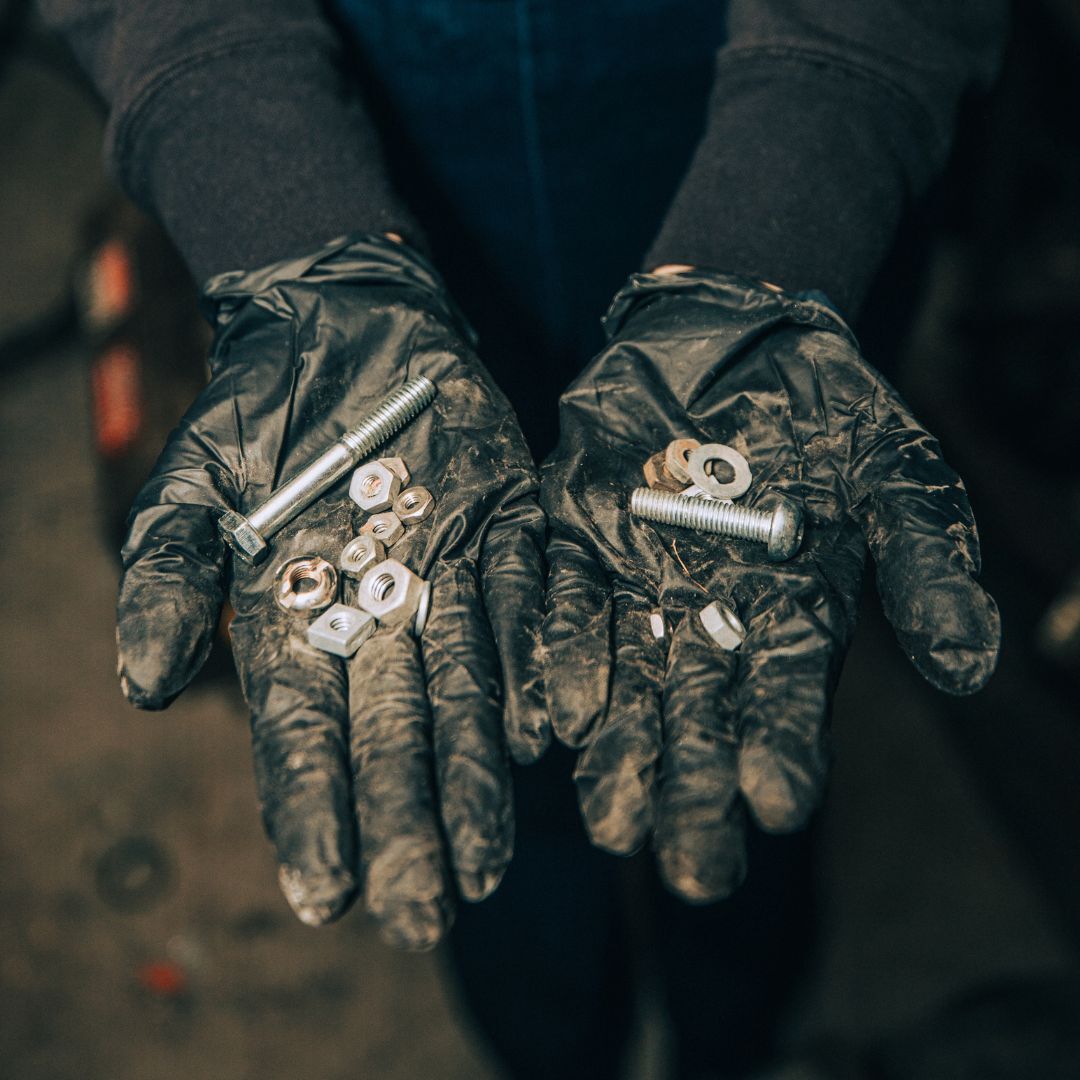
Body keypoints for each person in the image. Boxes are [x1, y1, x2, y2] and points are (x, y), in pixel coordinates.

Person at [39, 1, 1007, 1075]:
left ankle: (736, 1031)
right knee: (477, 734)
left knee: (731, 702)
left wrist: (787, 211)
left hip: (768, 197)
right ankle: (558, 1041)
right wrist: (287, 218)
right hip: (381, 172)